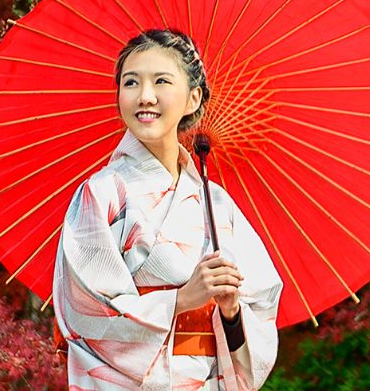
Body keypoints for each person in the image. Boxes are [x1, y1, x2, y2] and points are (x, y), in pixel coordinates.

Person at [54, 29, 283, 390]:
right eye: (131, 83)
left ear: (193, 98)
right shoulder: (102, 194)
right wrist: (180, 299)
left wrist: (231, 310)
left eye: (161, 81)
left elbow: (262, 301)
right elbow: (89, 312)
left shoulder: (217, 204)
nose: (145, 96)